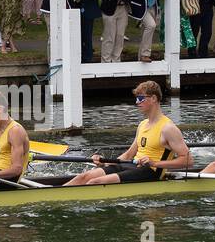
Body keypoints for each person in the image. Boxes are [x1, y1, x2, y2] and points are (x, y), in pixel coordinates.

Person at [64, 80, 192, 186]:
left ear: (153, 98)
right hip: (132, 166)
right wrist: (105, 162)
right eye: (136, 99)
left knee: (95, 182)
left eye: (141, 98)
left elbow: (188, 161)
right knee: (84, 176)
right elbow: (129, 155)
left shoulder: (168, 128)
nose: (137, 103)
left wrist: (154, 163)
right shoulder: (142, 125)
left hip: (150, 171)